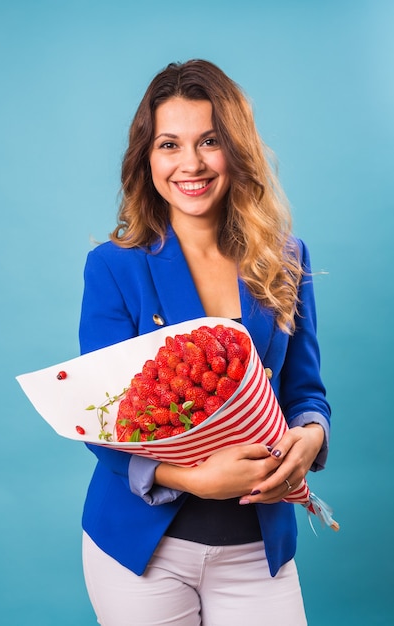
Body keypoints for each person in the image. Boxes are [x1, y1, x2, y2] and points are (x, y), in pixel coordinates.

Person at [79, 59, 331, 626]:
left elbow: (305, 390)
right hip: (141, 552)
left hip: (257, 548)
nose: (189, 163)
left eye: (210, 141)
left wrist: (311, 435)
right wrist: (188, 478)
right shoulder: (115, 268)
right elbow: (99, 421)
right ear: (147, 157)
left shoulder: (285, 260)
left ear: (235, 150)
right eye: (169, 143)